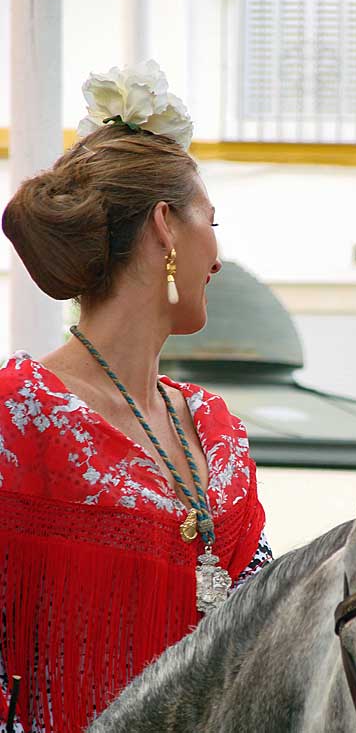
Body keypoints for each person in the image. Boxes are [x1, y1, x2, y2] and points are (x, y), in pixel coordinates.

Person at [0, 61, 272, 733]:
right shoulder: (15, 415)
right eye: (211, 220)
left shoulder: (219, 432)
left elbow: (272, 632)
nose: (218, 256)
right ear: (164, 227)